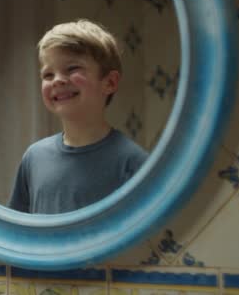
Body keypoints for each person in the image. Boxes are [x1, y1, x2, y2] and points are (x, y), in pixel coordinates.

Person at [8, 19, 148, 214]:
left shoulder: (132, 163)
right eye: (48, 75)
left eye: (72, 69)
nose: (57, 80)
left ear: (110, 83)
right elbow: (19, 234)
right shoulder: (34, 158)